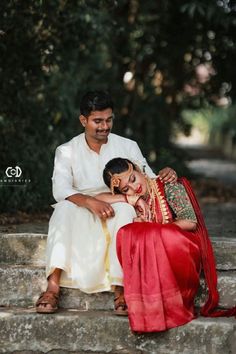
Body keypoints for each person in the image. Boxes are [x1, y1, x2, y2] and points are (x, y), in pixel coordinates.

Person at [36, 90, 178, 314]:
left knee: (123, 212)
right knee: (62, 209)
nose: (104, 126)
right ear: (83, 120)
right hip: (80, 205)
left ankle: (121, 289)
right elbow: (60, 189)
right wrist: (90, 202)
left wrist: (166, 174)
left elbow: (149, 179)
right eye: (97, 121)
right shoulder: (66, 150)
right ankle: (52, 286)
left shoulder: (127, 145)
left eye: (109, 119)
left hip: (120, 203)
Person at [102, 157, 236, 332]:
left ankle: (170, 307)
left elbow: (190, 222)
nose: (135, 188)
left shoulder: (167, 184)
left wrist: (155, 229)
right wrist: (131, 200)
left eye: (133, 179)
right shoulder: (133, 199)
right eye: (126, 188)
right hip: (157, 252)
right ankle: (148, 310)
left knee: (148, 233)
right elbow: (97, 198)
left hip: (181, 246)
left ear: (138, 169)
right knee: (129, 233)